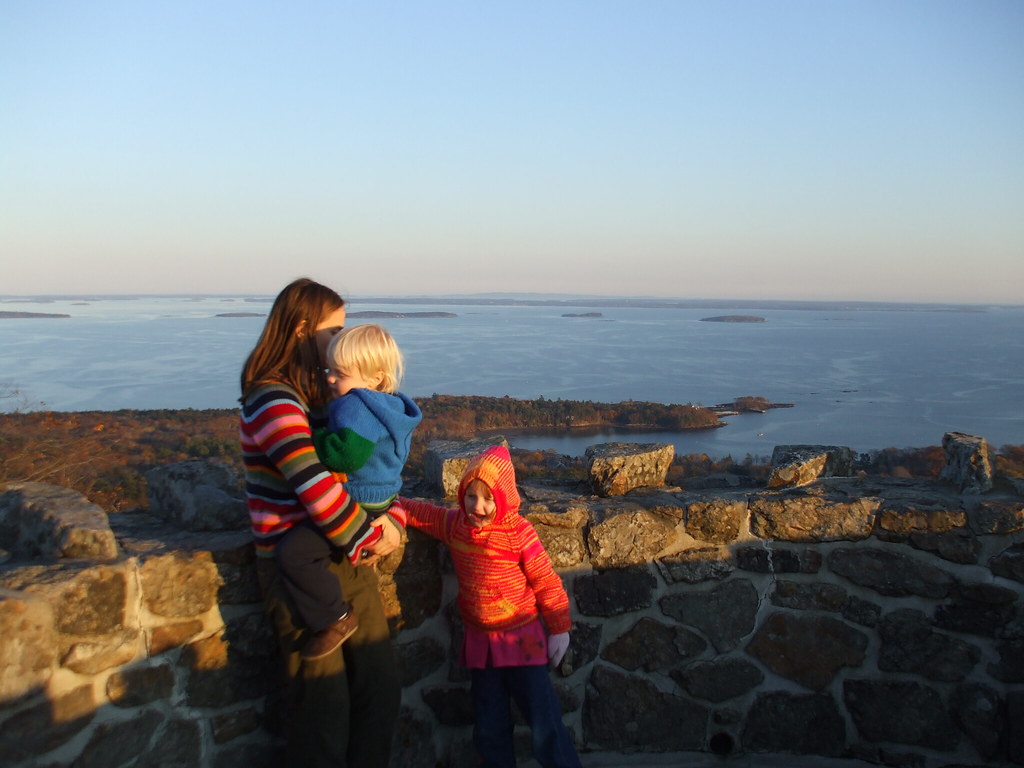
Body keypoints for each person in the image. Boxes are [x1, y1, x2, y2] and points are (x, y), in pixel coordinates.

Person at [239, 278, 405, 768]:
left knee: (380, 690)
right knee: (323, 711)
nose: (341, 339)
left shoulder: (326, 395)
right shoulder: (273, 399)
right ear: (302, 329)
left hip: (342, 556)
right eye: (334, 329)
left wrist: (393, 517)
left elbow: (370, 473)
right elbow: (315, 487)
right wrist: (372, 536)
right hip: (297, 569)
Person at [399, 445, 582, 768]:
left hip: (522, 641)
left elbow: (546, 580)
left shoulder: (518, 533)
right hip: (481, 644)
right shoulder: (456, 525)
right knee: (489, 727)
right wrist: (392, 505)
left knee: (544, 723)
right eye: (471, 496)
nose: (478, 506)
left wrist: (559, 628)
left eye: (488, 498)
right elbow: (424, 514)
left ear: (504, 498)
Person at [275, 323, 422, 660]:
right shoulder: (392, 407)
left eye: (339, 373)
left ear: (373, 377)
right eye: (329, 370)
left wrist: (308, 439)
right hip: (383, 499)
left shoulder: (355, 404)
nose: (329, 378)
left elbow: (347, 455)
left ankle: (335, 618)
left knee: (295, 553)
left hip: (357, 498)